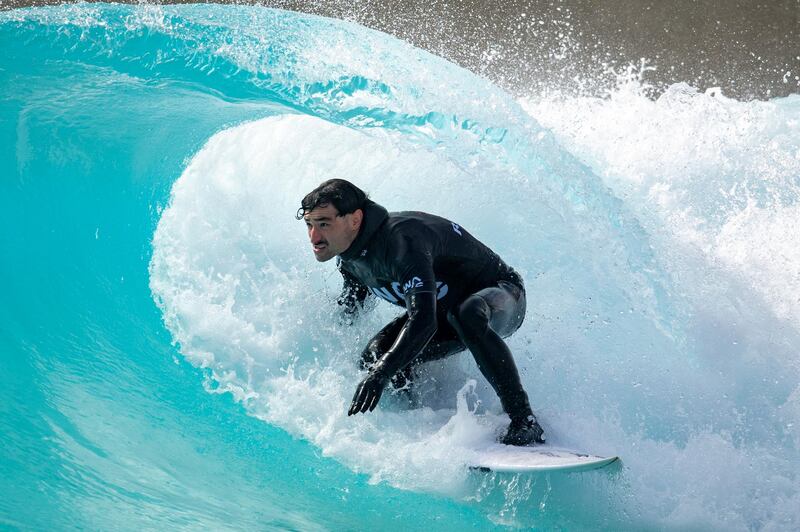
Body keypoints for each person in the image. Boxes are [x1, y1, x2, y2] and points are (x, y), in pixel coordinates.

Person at [297, 179, 545, 446]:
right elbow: (351, 313)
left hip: (502, 297)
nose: (314, 237)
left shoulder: (402, 243)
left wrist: (382, 371)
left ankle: (524, 421)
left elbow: (423, 320)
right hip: (445, 315)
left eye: (323, 224)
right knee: (374, 356)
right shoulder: (349, 260)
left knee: (464, 315)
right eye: (309, 224)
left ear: (355, 219)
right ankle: (417, 421)